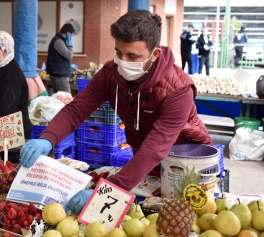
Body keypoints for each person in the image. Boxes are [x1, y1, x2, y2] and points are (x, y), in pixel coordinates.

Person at [20, 10, 212, 214]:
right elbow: (77, 109)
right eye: (119, 53)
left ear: (154, 54)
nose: (123, 61)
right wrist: (48, 138)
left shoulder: (178, 90)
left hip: (186, 164)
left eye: (132, 56)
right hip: (144, 166)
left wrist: (106, 191)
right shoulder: (111, 74)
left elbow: (155, 148)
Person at [46, 23, 75, 94]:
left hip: (59, 74)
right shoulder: (58, 41)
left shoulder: (60, 41)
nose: (71, 38)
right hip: (60, 76)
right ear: (68, 33)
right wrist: (70, 46)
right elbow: (69, 55)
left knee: (59, 99)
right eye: (71, 36)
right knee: (67, 99)